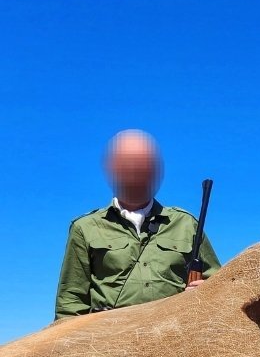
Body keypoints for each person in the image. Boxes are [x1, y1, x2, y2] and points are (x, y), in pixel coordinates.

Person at [54, 130, 220, 319]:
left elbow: (220, 285)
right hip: (109, 339)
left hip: (173, 335)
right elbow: (70, 303)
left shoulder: (186, 224)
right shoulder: (84, 227)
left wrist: (208, 290)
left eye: (143, 165)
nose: (134, 171)